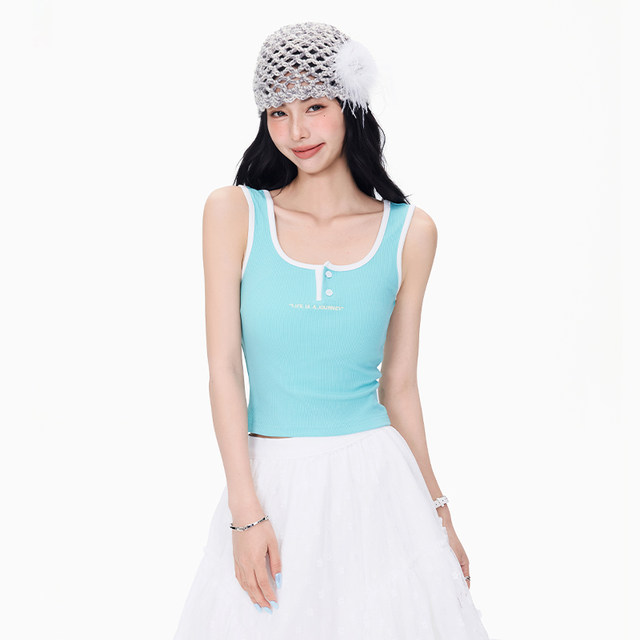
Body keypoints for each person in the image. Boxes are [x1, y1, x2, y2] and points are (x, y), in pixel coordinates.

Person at [173, 21, 494, 639]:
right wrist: (245, 511)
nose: (296, 130)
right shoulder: (234, 212)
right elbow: (223, 371)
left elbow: (399, 387)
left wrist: (439, 513)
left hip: (379, 486)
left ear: (351, 106)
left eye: (314, 106)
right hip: (270, 484)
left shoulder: (411, 232)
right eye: (278, 112)